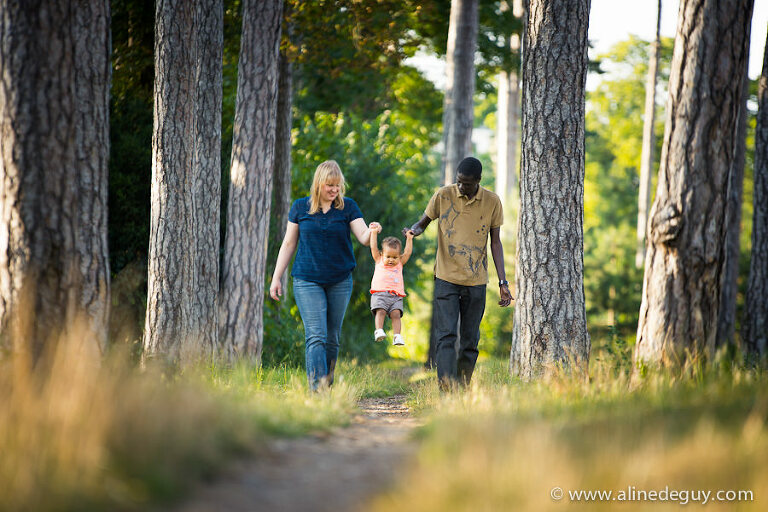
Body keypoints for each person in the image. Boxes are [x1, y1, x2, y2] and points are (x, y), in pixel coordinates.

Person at [270, 160, 379, 391]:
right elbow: (289, 243)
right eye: (330, 185)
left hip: (339, 280)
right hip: (307, 279)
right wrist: (276, 277)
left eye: (338, 186)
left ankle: (326, 385)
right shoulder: (300, 207)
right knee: (315, 336)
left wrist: (373, 231)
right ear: (319, 184)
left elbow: (363, 237)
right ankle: (317, 391)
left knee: (332, 339)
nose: (334, 190)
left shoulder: (348, 207)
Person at [404, 156, 513, 390]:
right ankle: (446, 390)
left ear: (478, 181)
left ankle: (462, 388)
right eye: (459, 181)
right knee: (446, 336)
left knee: (470, 340)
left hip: (476, 281)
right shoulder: (443, 195)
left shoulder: (492, 201)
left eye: (466, 183)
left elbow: (495, 243)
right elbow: (423, 222)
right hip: (446, 278)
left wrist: (503, 281)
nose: (461, 187)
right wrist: (414, 231)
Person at [368, 226, 414, 346]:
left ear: (399, 256)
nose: (391, 260)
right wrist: (373, 233)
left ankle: (397, 336)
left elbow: (408, 252)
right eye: (388, 256)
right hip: (380, 294)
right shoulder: (379, 260)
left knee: (396, 314)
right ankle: (378, 330)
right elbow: (373, 247)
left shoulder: (399, 264)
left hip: (396, 296)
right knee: (381, 311)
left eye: (395, 257)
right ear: (382, 254)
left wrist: (409, 238)